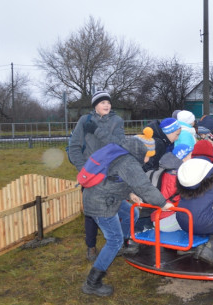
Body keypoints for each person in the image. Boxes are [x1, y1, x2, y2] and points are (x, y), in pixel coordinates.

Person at [81, 130, 174, 297]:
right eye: (148, 155)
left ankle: (116, 247)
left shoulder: (121, 152)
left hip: (103, 195)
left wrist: (129, 194)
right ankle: (92, 283)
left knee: (134, 215)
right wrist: (163, 203)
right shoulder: (129, 162)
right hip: (101, 203)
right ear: (141, 152)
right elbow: (144, 186)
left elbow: (111, 179)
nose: (149, 159)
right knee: (114, 239)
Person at [68, 90, 126, 262]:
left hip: (111, 173)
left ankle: (120, 241)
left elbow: (119, 145)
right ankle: (91, 246)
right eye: (102, 102)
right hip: (91, 175)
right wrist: (83, 170)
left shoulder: (117, 121)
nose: (106, 105)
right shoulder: (84, 121)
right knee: (91, 212)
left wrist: (98, 130)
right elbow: (74, 147)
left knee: (116, 206)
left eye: (108, 102)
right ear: (95, 106)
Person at [149, 144, 193, 232]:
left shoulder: (168, 170)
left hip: (159, 217)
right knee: (198, 218)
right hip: (166, 220)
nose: (193, 159)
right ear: (184, 157)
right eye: (191, 155)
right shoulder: (178, 176)